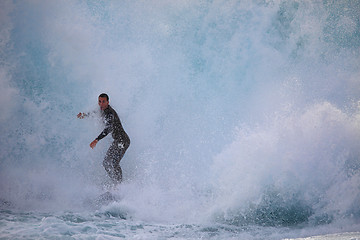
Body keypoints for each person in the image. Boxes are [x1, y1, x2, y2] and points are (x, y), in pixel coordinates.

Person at [77, 93, 130, 184]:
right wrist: (84, 115)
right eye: (99, 101)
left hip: (123, 141)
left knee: (114, 163)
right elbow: (94, 114)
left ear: (108, 102)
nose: (101, 104)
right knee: (106, 163)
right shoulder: (102, 110)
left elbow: (109, 128)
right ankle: (116, 183)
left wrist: (96, 140)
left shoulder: (109, 113)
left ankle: (120, 185)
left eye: (103, 102)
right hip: (117, 141)